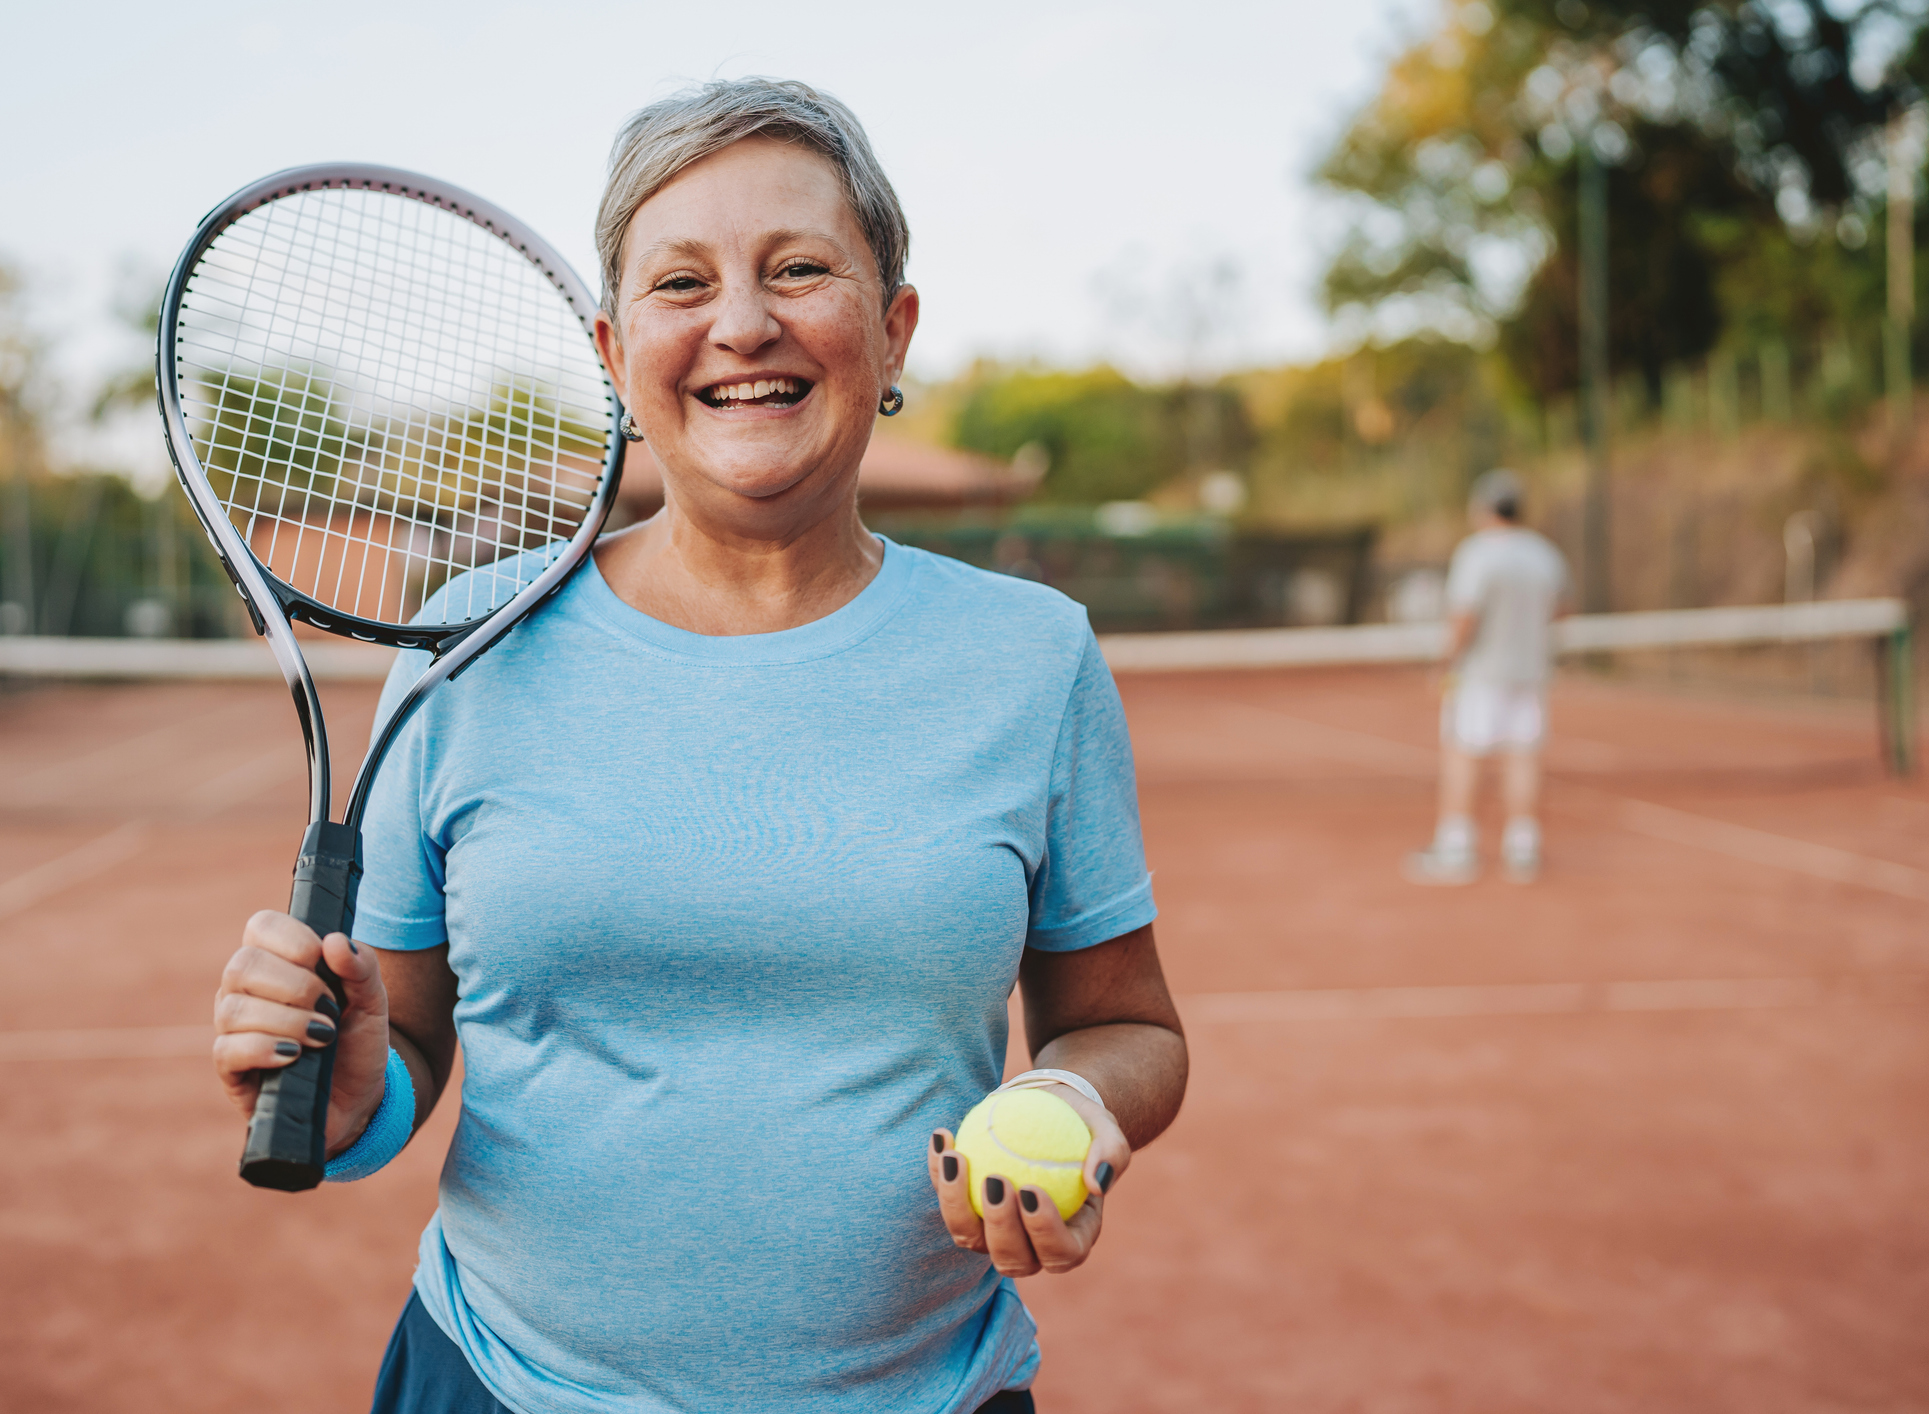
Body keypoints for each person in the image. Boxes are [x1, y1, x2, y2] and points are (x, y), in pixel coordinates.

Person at [209, 78, 1188, 1414]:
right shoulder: (464, 644)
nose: (742, 323)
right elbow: (409, 1056)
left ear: (890, 330)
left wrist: (1075, 1104)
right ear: (614, 354)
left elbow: (1123, 1022)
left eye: (798, 268)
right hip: (497, 1383)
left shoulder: (1031, 655)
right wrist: (349, 1107)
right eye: (682, 283)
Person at [1406, 469, 1568, 885]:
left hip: (1481, 675)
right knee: (1523, 754)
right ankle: (1522, 845)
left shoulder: (1477, 553)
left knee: (1463, 753)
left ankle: (1457, 846)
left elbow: (1464, 616)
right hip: (1530, 672)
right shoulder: (1544, 554)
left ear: (1482, 508)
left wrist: (1444, 662)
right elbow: (1561, 609)